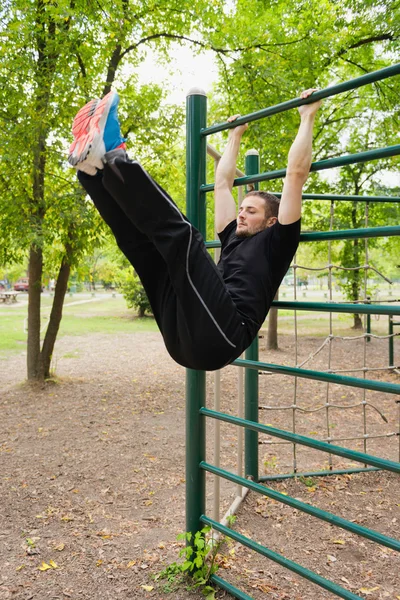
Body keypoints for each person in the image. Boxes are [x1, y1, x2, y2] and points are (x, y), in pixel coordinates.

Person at [69, 89, 321, 371]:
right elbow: (223, 184)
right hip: (183, 336)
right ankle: (95, 173)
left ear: (271, 221)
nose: (241, 214)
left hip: (222, 337)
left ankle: (116, 154)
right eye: (241, 208)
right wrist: (234, 136)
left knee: (184, 237)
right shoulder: (231, 236)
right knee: (146, 251)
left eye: (251, 211)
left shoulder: (279, 241)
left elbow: (295, 175)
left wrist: (307, 116)